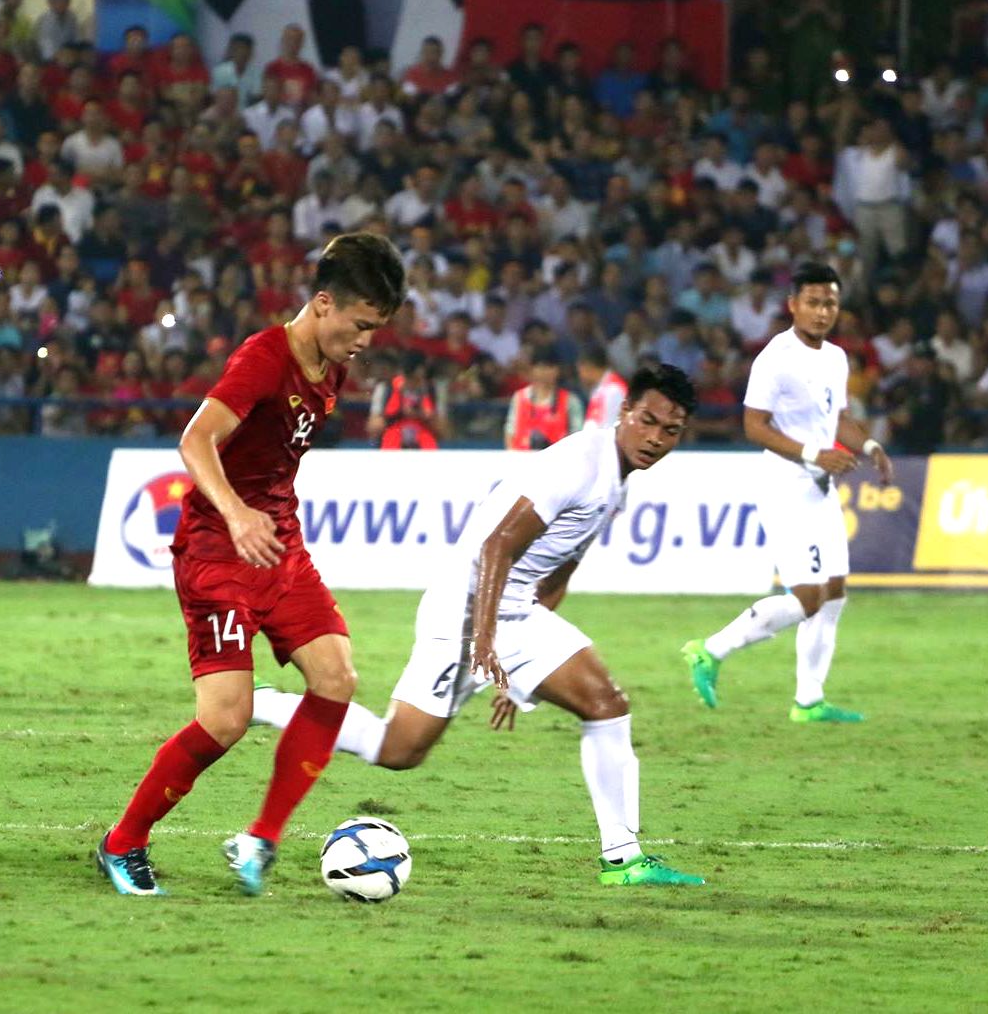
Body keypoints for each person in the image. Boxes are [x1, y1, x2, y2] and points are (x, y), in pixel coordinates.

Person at [252, 366, 705, 887]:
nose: (655, 438)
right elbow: (498, 546)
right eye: (647, 421)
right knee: (398, 750)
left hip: (513, 612)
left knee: (605, 704)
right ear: (624, 412)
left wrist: (526, 672)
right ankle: (264, 704)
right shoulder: (581, 464)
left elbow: (558, 572)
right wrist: (487, 641)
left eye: (670, 431)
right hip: (465, 610)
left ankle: (623, 858)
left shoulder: (616, 482)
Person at [94, 232, 405, 897]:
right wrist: (236, 514)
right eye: (360, 325)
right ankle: (123, 843)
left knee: (336, 677)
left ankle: (259, 838)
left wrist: (264, 522)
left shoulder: (331, 364)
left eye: (376, 329)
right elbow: (195, 439)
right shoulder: (264, 359)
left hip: (279, 548)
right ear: (323, 304)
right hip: (216, 552)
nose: (365, 341)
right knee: (226, 720)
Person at [681, 261, 892, 722]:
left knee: (835, 592)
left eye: (830, 303)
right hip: (785, 486)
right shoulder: (775, 357)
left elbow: (838, 419)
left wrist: (871, 444)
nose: (822, 312)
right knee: (807, 598)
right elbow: (753, 425)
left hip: (819, 489)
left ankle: (809, 701)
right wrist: (815, 455)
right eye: (813, 303)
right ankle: (710, 650)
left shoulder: (835, 358)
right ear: (793, 305)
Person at [505, 346, 581, 449]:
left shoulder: (571, 401)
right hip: (522, 460)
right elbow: (510, 431)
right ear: (532, 369)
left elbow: (577, 436)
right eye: (540, 367)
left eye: (549, 367)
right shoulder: (519, 397)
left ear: (557, 370)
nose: (544, 372)